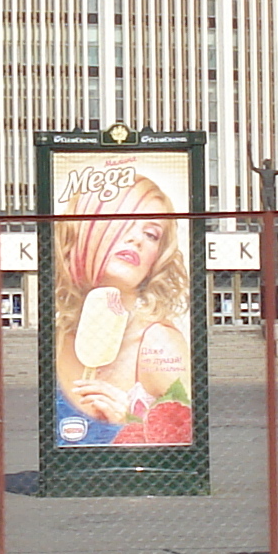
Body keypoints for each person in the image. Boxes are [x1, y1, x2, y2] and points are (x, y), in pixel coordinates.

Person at [49, 167, 192, 447]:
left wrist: (128, 422)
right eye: (121, 222)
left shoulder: (157, 342)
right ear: (84, 230)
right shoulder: (61, 334)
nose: (137, 239)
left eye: (151, 234)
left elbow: (183, 439)